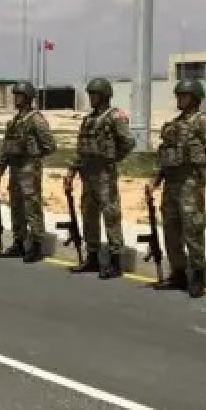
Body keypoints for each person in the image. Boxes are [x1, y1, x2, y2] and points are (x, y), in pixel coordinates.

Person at [148, 79, 206, 297]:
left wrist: (194, 160)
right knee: (171, 229)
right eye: (178, 95)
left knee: (192, 229)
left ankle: (197, 275)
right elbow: (165, 157)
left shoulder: (203, 122)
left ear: (195, 98)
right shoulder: (173, 125)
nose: (179, 99)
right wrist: (156, 180)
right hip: (171, 182)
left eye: (184, 95)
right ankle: (178, 273)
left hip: (190, 182)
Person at [64, 77, 135, 279]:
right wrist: (71, 171)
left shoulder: (115, 116)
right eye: (90, 94)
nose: (91, 98)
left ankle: (115, 260)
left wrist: (113, 158)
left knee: (111, 216)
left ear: (104, 96)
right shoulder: (88, 120)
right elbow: (81, 148)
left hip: (105, 174)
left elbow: (128, 141)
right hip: (88, 174)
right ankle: (92, 257)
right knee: (89, 215)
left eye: (94, 94)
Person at [0, 81, 56, 263]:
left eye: (19, 96)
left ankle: (36, 244)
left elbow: (50, 145)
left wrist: (33, 156)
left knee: (32, 207)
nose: (16, 99)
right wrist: (0, 169)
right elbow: (7, 147)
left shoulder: (36, 119)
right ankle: (19, 242)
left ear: (28, 98)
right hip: (15, 168)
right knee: (16, 206)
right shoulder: (14, 121)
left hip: (29, 169)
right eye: (15, 95)